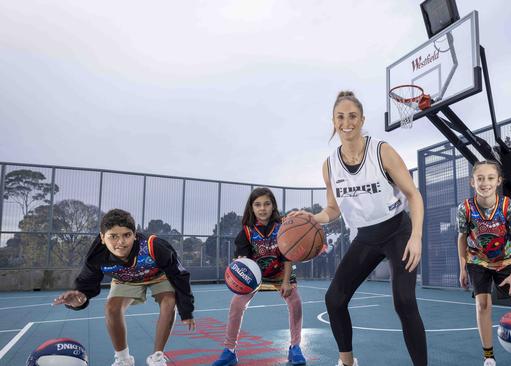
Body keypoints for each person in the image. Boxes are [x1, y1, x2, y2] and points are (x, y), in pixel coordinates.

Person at [289, 91, 427, 366]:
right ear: (333, 121)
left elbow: (413, 194)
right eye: (340, 117)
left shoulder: (381, 151)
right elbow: (333, 209)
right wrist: (312, 218)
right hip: (365, 236)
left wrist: (416, 237)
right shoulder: (330, 165)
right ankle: (347, 362)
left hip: (397, 231)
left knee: (404, 301)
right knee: (334, 299)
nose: (347, 122)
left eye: (352, 116)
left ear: (362, 119)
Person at [53, 208, 195, 366]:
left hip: (158, 275)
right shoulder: (97, 255)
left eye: (126, 235)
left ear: (134, 235)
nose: (120, 242)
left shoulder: (154, 246)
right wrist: (81, 297)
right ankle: (123, 359)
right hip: (125, 278)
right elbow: (87, 283)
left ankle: (157, 357)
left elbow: (179, 275)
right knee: (111, 308)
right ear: (102, 237)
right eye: (113, 236)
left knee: (169, 302)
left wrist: (186, 310)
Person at [212, 187, 306, 366]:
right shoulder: (246, 232)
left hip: (281, 273)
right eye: (258, 205)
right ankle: (229, 350)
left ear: (273, 206)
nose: (262, 208)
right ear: (252, 208)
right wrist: (240, 277)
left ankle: (295, 347)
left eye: (266, 204)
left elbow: (288, 256)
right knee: (236, 304)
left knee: (295, 302)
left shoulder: (282, 228)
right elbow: (243, 263)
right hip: (255, 276)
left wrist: (286, 281)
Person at [457, 161, 511, 366]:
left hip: (506, 260)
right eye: (480, 178)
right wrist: (462, 267)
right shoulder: (465, 208)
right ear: (472, 182)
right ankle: (489, 358)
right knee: (483, 304)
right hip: (478, 260)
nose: (485, 183)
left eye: (490, 178)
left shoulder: (508, 206)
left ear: (499, 181)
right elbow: (461, 239)